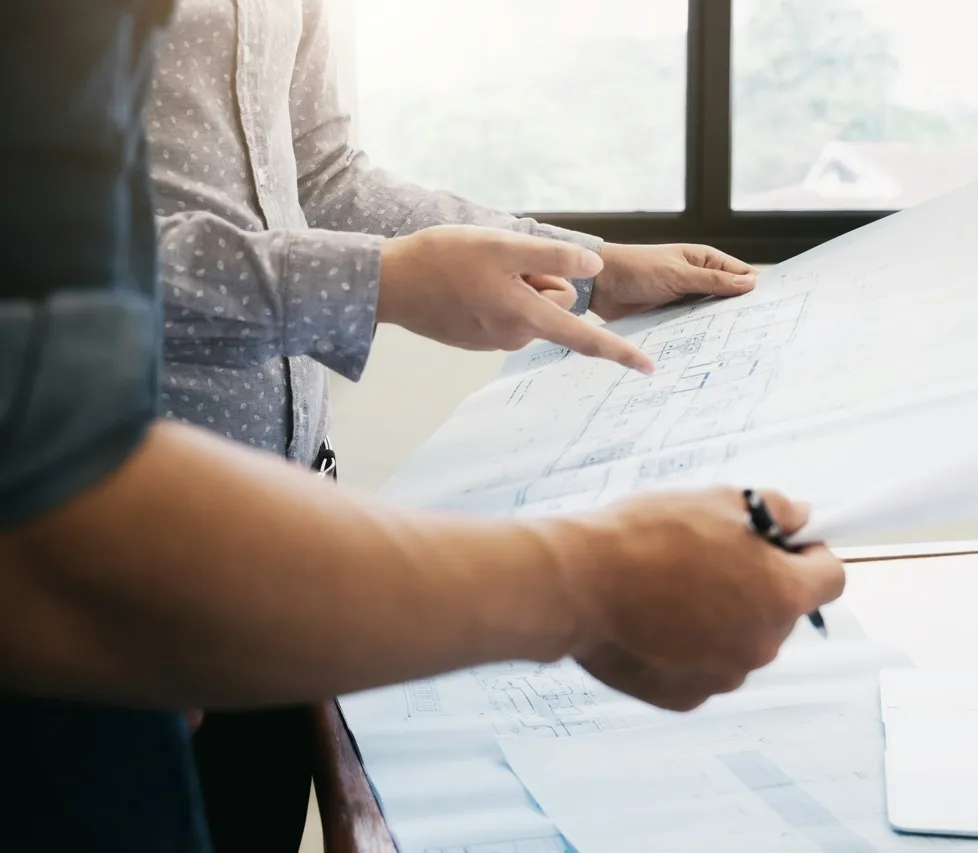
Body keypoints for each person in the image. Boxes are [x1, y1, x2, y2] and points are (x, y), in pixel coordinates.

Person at [0, 2, 846, 851]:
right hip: (129, 586)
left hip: (278, 545)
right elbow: (44, 376)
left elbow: (323, 173)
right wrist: (596, 583)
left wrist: (589, 266)